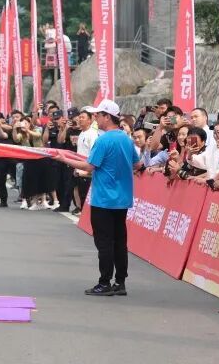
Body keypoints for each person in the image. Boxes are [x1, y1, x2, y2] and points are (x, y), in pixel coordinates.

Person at [62, 99, 141, 296]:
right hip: (122, 199)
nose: (96, 117)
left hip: (104, 199)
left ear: (107, 117)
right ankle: (120, 282)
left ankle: (104, 282)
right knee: (119, 241)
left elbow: (89, 166)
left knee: (104, 242)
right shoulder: (126, 139)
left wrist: (65, 159)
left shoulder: (103, 140)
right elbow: (137, 164)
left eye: (98, 114)